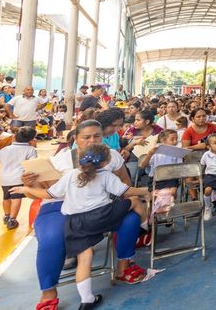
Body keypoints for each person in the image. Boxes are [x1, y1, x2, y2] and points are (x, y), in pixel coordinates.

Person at [22, 119, 147, 309]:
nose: (92, 140)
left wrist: (135, 196)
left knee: (130, 219)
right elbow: (42, 191)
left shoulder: (111, 155)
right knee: (52, 237)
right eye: (86, 137)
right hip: (60, 205)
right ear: (75, 139)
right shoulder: (61, 159)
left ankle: (124, 266)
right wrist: (29, 182)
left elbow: (124, 183)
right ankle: (48, 293)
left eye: (97, 136)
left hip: (101, 204)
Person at [0, 126, 37, 229]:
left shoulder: (5, 149)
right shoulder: (30, 150)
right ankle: (12, 219)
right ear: (31, 139)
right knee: (16, 198)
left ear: (15, 137)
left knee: (6, 197)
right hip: (19, 178)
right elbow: (32, 165)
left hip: (4, 179)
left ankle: (6, 216)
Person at [199, 133, 216, 221]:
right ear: (208, 146)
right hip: (210, 175)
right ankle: (207, 207)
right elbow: (202, 166)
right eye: (215, 143)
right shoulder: (206, 155)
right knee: (207, 190)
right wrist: (200, 177)